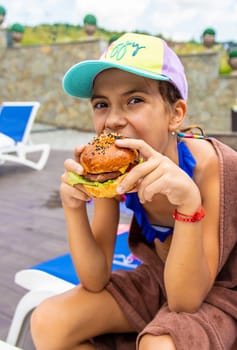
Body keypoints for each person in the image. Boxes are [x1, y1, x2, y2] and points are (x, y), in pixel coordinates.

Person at [30, 33, 237, 350]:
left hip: (221, 289)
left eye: (134, 100)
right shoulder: (115, 169)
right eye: (101, 104)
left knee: (159, 344)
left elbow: (185, 300)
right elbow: (95, 278)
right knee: (48, 321)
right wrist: (73, 206)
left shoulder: (212, 169)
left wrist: (189, 204)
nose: (112, 120)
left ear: (175, 114)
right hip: (159, 279)